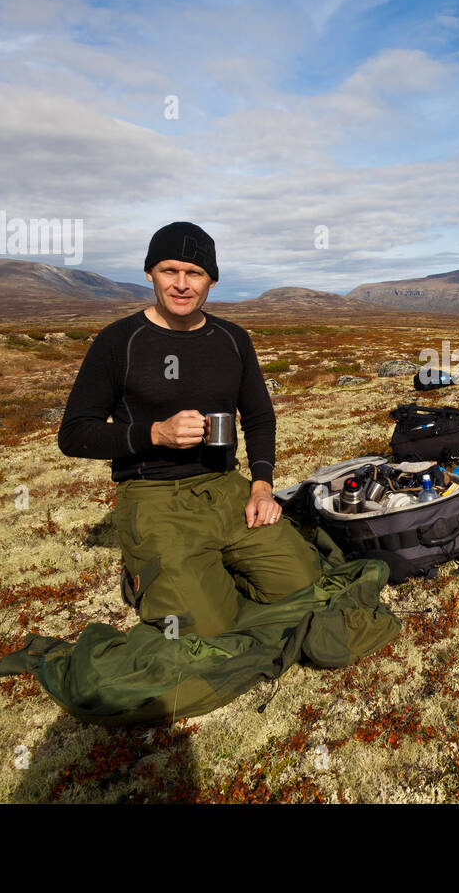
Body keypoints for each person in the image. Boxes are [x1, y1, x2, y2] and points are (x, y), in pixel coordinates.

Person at [57, 222, 321, 638]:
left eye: (194, 273)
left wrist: (261, 487)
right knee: (204, 627)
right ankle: (152, 574)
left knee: (303, 582)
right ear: (150, 273)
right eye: (169, 271)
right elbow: (73, 434)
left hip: (224, 485)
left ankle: (204, 572)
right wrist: (154, 434)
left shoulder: (232, 339)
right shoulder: (117, 341)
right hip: (152, 493)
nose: (182, 285)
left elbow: (258, 417)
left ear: (211, 281)